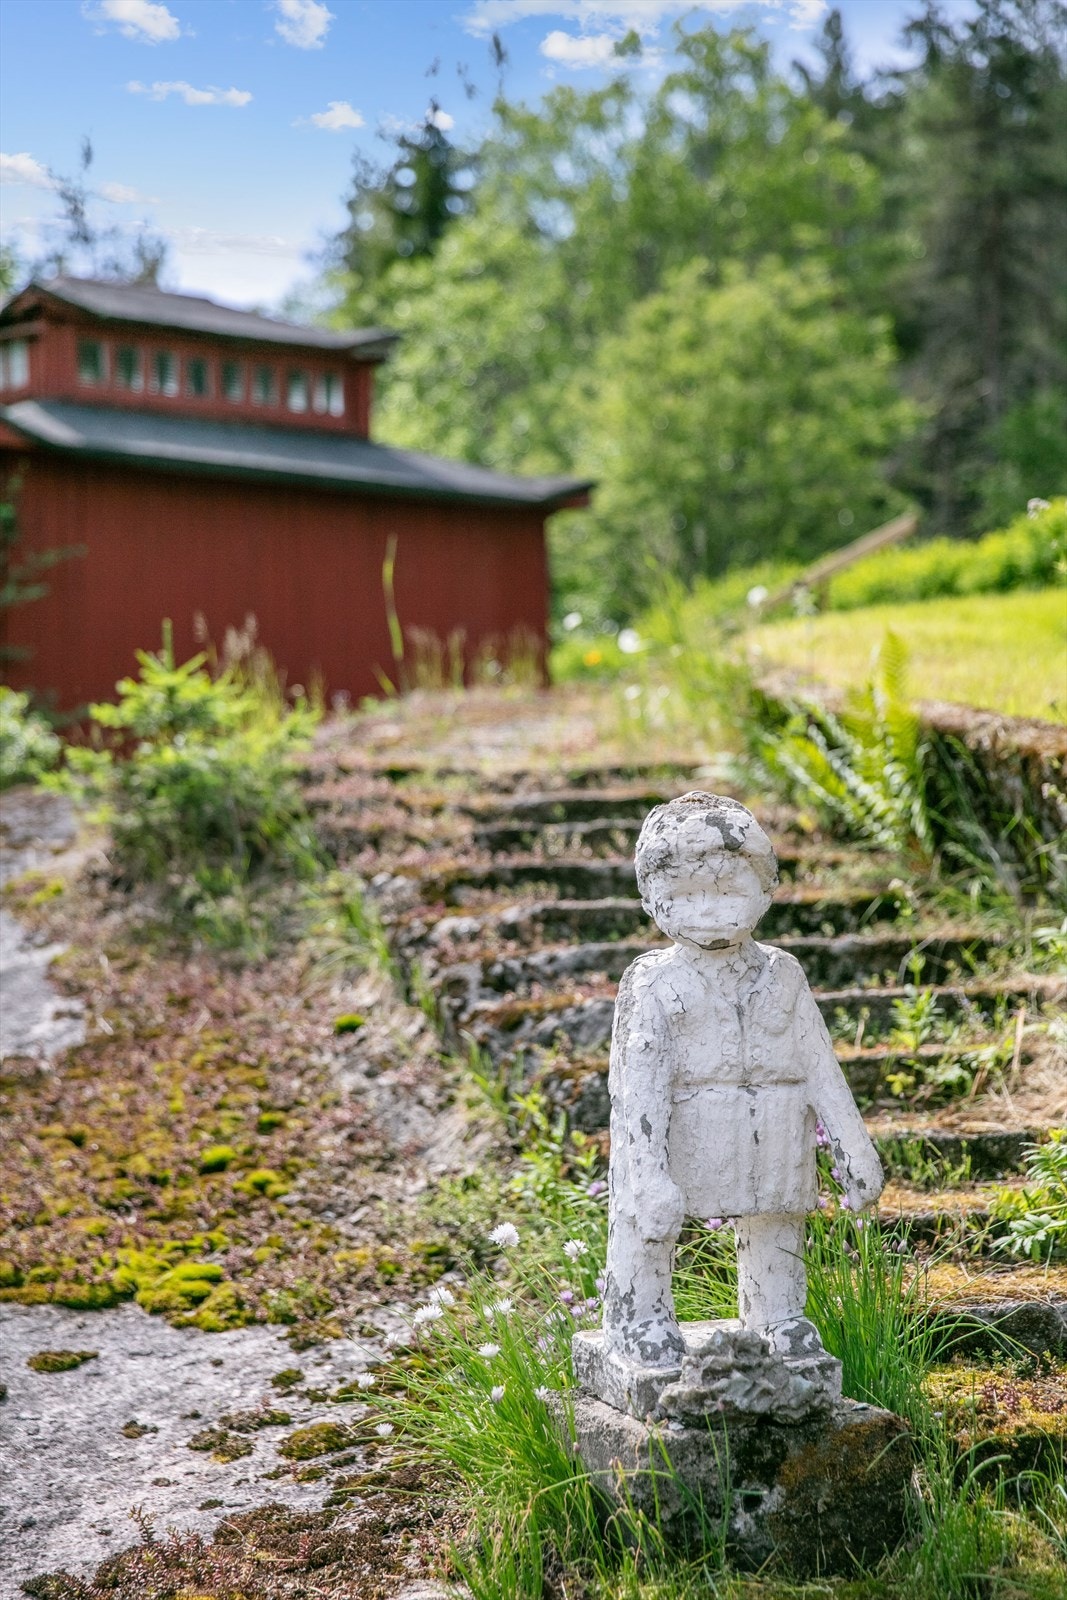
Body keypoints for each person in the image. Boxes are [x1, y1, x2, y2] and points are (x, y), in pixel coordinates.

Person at [602, 791, 884, 1370]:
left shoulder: (784, 973)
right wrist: (646, 1169)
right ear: (651, 899)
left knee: (778, 1218)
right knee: (647, 1218)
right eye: (684, 895)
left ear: (767, 888)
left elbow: (817, 1061)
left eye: (728, 891)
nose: (708, 909)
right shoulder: (654, 982)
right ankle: (640, 1313)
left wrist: (853, 1144)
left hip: (773, 1127)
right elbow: (639, 1088)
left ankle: (777, 1313)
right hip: (685, 1125)